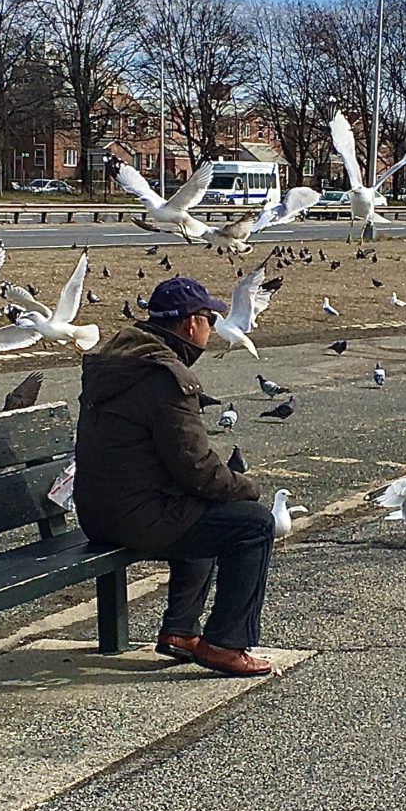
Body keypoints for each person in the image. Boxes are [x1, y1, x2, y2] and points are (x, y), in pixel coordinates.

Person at [74, 275, 276, 676]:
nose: (212, 328)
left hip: (98, 513)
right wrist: (246, 488)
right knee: (252, 524)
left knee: (200, 510)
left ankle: (182, 632)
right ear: (190, 324)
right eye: (209, 319)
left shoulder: (118, 360)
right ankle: (224, 644)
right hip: (133, 517)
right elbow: (197, 468)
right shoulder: (165, 377)